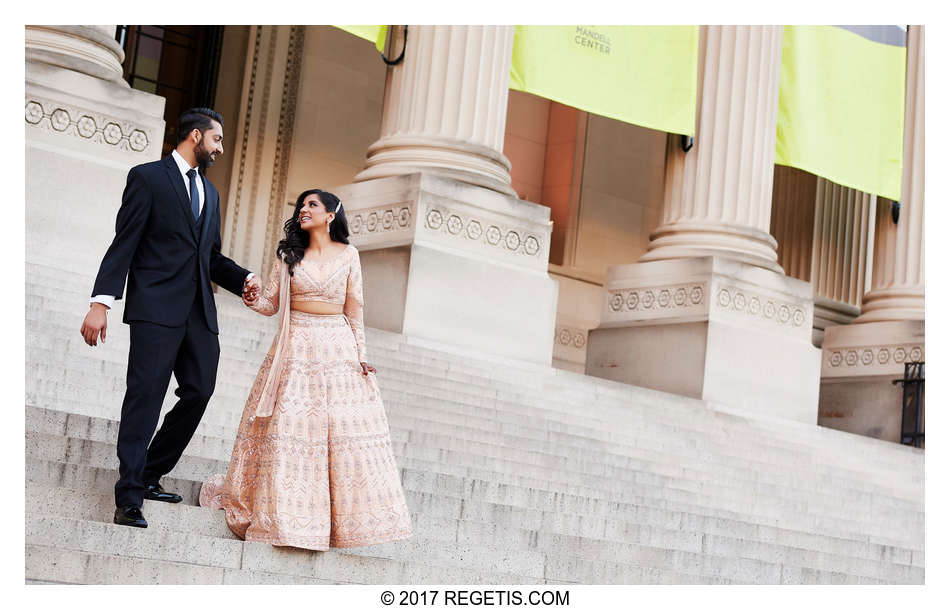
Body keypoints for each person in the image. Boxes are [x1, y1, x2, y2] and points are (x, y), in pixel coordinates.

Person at [199, 188, 413, 550]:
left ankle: (334, 523)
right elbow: (270, 304)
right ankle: (286, 517)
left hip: (336, 347)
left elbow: (355, 308)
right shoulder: (288, 255)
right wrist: (251, 298)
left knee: (336, 438)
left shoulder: (349, 255)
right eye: (301, 204)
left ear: (331, 215)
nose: (303, 209)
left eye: (312, 204)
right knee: (290, 430)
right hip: (295, 346)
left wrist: (361, 354)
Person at [80, 108, 261, 528]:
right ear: (195, 136)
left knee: (199, 390)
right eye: (216, 140)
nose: (220, 148)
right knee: (145, 397)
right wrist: (101, 302)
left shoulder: (211, 194)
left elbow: (210, 258)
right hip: (155, 310)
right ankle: (128, 496)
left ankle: (149, 473)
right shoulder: (148, 178)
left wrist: (244, 280)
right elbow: (124, 240)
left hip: (198, 312)